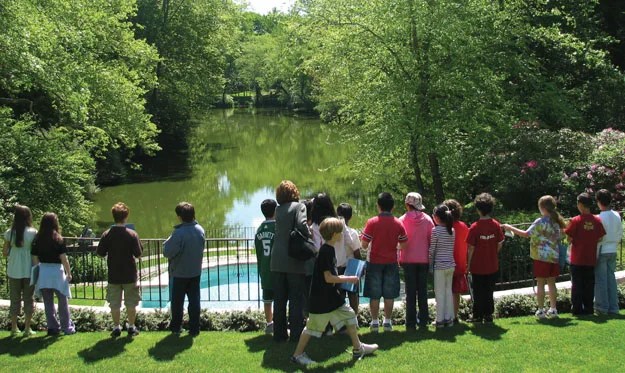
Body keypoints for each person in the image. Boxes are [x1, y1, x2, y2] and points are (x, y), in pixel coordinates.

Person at [290, 218, 378, 365]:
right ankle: (297, 355)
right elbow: (329, 278)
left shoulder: (329, 249)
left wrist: (347, 277)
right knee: (311, 327)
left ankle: (358, 348)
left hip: (331, 297)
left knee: (350, 315)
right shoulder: (325, 252)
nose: (342, 233)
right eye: (340, 231)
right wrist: (349, 278)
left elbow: (332, 276)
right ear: (334, 234)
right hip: (322, 299)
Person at [502, 196, 566, 319]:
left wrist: (510, 227)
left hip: (541, 257)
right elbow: (560, 236)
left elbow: (526, 234)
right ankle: (553, 309)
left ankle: (541, 310)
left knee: (540, 283)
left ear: (542, 208)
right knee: (552, 283)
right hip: (554, 256)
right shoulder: (556, 222)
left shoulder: (540, 221)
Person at [361, 192, 408, 332]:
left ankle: (375, 322)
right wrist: (396, 247)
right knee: (389, 294)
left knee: (374, 294)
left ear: (378, 205)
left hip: (374, 262)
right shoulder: (398, 223)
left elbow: (364, 244)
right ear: (392, 207)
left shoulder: (372, 222)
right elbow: (404, 244)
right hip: (392, 261)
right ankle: (387, 322)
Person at [270, 180, 310, 342]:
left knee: (279, 299)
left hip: (277, 258)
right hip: (293, 258)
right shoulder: (299, 207)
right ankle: (296, 335)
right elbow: (302, 225)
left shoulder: (277, 210)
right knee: (295, 298)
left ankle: (279, 335)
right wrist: (309, 234)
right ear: (295, 192)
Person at [96, 202, 143, 337]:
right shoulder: (132, 234)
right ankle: (132, 327)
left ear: (113, 216)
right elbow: (138, 254)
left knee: (115, 303)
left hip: (114, 274)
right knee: (131, 302)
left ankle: (116, 327)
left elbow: (100, 254)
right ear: (126, 217)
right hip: (129, 274)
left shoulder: (107, 234)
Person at [163, 202, 206, 336]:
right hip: (195, 272)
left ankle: (176, 327)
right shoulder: (200, 230)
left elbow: (167, 252)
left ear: (180, 216)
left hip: (179, 273)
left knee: (177, 302)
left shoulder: (179, 233)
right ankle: (194, 328)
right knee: (194, 302)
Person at [31, 212, 76, 336]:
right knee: (62, 300)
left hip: (44, 271)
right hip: (57, 271)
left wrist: (37, 271)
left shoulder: (37, 239)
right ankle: (66, 326)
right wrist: (69, 273)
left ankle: (52, 327)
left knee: (48, 302)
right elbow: (63, 258)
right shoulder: (58, 239)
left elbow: (34, 258)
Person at [564, 193, 606, 315]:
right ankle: (589, 308)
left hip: (577, 258)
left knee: (577, 284)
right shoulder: (597, 220)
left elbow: (569, 238)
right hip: (590, 258)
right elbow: (600, 237)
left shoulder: (575, 220)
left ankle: (577, 309)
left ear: (580, 205)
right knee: (589, 284)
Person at [466, 193, 504, 323]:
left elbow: (470, 248)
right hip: (492, 264)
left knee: (478, 291)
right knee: (489, 291)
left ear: (478, 209)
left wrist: (468, 264)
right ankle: (489, 315)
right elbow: (500, 243)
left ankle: (477, 315)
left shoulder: (474, 227)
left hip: (477, 266)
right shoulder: (496, 225)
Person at [398, 193, 434, 330]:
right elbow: (431, 239)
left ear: (407, 204)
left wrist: (398, 258)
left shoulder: (402, 220)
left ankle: (410, 321)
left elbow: (399, 241)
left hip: (407, 259)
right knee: (423, 291)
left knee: (410, 292)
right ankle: (424, 320)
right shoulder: (428, 219)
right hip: (424, 259)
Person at [3, 205, 37, 336]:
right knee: (29, 299)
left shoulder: (9, 232)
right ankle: (27, 329)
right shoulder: (33, 232)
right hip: (28, 270)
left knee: (14, 299)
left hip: (14, 270)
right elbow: (35, 252)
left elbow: (5, 252)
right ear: (28, 217)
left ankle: (13, 328)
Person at [594, 189, 623, 315]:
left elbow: (598, 237)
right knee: (611, 279)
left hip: (602, 249)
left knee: (601, 280)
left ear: (598, 202)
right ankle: (614, 307)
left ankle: (602, 307)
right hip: (613, 248)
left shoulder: (599, 218)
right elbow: (619, 233)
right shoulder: (617, 215)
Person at [430, 205, 456, 327]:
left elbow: (432, 250)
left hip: (440, 266)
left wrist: (430, 264)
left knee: (439, 293)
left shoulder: (436, 230)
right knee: (448, 291)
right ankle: (448, 318)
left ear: (437, 218)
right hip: (451, 264)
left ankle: (439, 319)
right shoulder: (452, 230)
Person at [444, 199, 469, 323]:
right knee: (456, 292)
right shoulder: (464, 226)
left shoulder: (444, 228)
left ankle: (445, 315)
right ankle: (454, 316)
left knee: (445, 290)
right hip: (460, 262)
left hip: (446, 263)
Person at [254, 199, 277, 334]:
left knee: (267, 299)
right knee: (280, 298)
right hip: (277, 268)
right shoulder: (278, 227)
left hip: (264, 268)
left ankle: (269, 323)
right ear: (275, 211)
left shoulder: (259, 229)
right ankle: (279, 323)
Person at [337, 202, 363, 313]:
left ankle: (341, 320)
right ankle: (354, 318)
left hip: (339, 266)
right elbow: (357, 251)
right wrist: (362, 266)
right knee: (353, 295)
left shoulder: (335, 232)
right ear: (351, 216)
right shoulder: (353, 233)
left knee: (340, 295)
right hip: (352, 265)